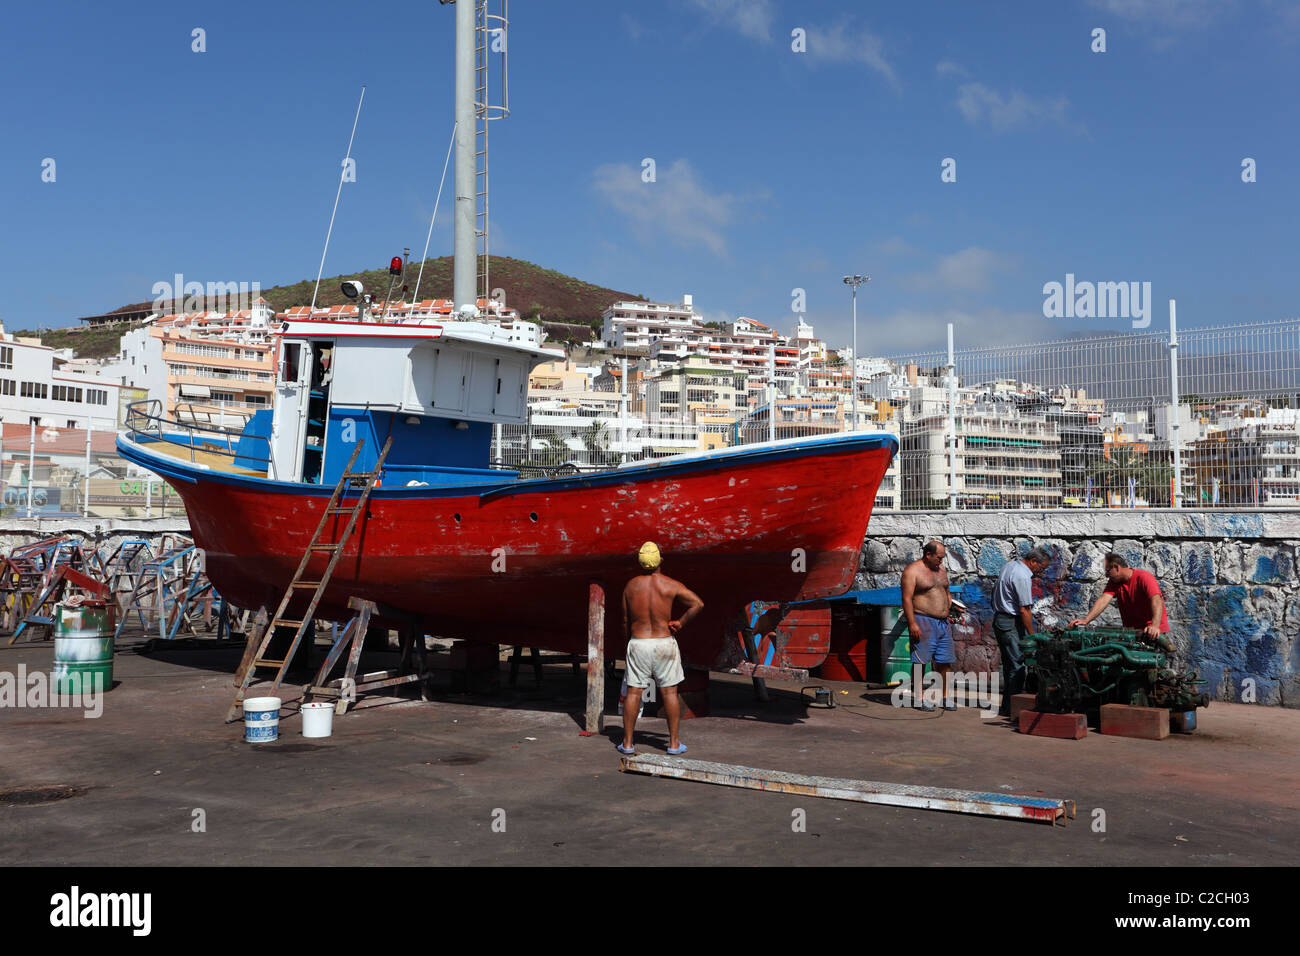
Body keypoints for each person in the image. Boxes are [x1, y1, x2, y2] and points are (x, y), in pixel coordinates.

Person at [619, 542, 704, 756]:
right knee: (669, 692)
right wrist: (681, 622)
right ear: (661, 561)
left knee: (634, 692)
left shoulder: (630, 587)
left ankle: (627, 743)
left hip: (638, 642)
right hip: (664, 642)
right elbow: (698, 604)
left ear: (639, 562)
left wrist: (627, 643)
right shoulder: (670, 585)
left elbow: (625, 620)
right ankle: (674, 744)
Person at [901, 540, 963, 711]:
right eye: (938, 557)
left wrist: (951, 606)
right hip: (923, 620)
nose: (941, 561)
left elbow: (946, 591)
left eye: (942, 558)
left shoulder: (941, 569)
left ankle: (945, 697)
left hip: (943, 623)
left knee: (946, 661)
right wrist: (912, 623)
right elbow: (906, 599)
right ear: (928, 555)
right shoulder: (912, 571)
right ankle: (919, 698)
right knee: (921, 662)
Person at [992, 547, 1051, 716]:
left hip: (1000, 619)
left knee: (1009, 664)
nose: (1041, 572)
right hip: (1011, 622)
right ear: (1033, 561)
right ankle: (1013, 708)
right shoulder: (1023, 576)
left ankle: (1007, 705)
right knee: (1018, 666)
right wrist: (1032, 635)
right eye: (1041, 568)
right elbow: (1025, 609)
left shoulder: (1009, 566)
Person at [1070, 553, 1171, 646]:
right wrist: (1086, 620)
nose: (1106, 575)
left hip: (1151, 630)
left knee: (1149, 661)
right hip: (1133, 632)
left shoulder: (1144, 577)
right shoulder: (1114, 582)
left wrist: (1155, 625)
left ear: (1116, 567)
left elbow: (1156, 600)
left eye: (1107, 571)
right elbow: (1103, 600)